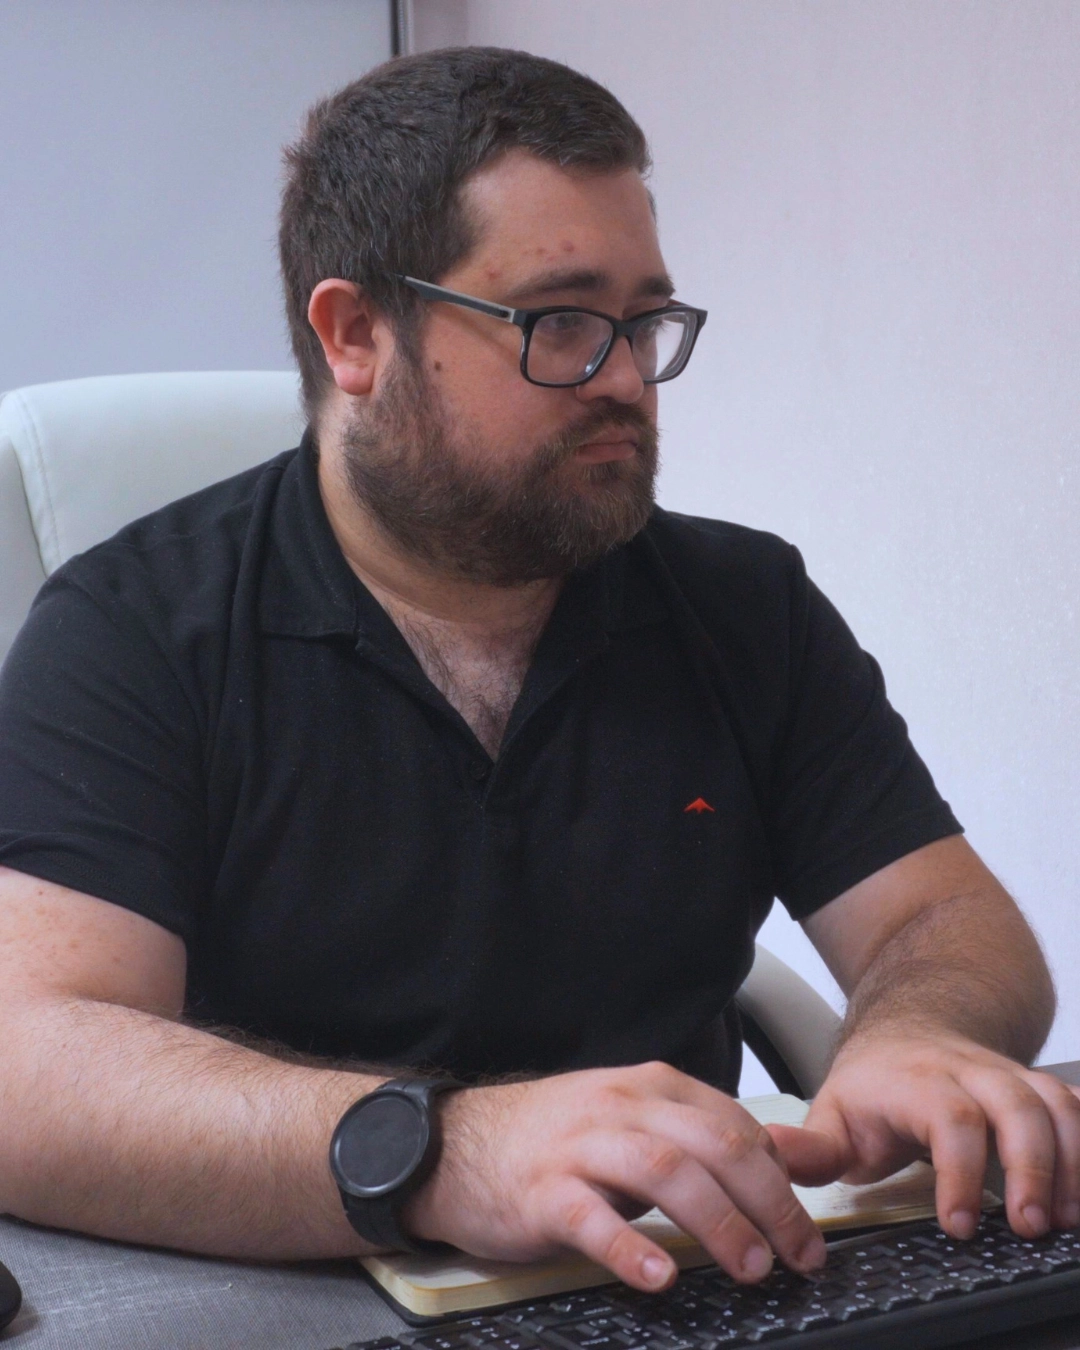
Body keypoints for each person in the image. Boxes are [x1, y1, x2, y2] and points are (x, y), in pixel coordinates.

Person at [0, 47, 1075, 1296]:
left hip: (680, 1278)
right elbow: (29, 1064)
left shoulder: (744, 606)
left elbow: (945, 921)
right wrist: (443, 1152)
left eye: (643, 322)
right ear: (356, 334)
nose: (623, 380)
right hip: (295, 1287)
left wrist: (916, 1032)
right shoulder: (134, 629)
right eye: (558, 322)